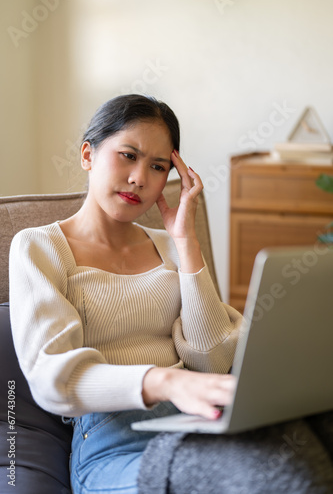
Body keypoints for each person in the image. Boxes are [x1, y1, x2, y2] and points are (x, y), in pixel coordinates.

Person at [9, 95, 333, 494]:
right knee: (281, 475)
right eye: (128, 155)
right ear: (88, 155)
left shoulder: (171, 246)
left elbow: (212, 360)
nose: (139, 178)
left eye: (158, 166)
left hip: (196, 418)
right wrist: (167, 382)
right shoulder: (38, 247)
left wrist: (186, 242)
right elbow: (51, 379)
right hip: (114, 443)